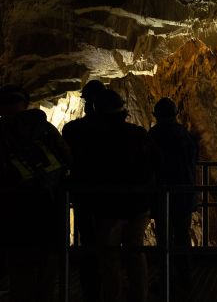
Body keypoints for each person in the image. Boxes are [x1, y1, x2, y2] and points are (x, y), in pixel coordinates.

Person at [0, 85, 69, 302]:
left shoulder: (2, 133)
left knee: (20, 269)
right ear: (26, 103)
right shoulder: (45, 129)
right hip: (48, 205)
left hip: (14, 209)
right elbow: (67, 158)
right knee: (47, 268)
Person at [86, 89, 154, 302]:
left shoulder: (97, 139)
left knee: (110, 257)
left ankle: (113, 296)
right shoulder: (138, 134)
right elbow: (151, 166)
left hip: (109, 206)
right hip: (137, 205)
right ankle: (139, 295)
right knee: (135, 253)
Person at [148, 97, 198, 296]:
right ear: (176, 114)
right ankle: (186, 280)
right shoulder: (185, 135)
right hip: (183, 196)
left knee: (164, 240)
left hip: (162, 196)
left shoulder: (153, 135)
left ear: (157, 116)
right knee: (182, 238)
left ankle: (167, 280)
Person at [62, 79, 106, 302]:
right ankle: (109, 287)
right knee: (109, 244)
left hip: (83, 194)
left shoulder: (73, 129)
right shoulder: (116, 130)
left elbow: (64, 160)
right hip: (111, 195)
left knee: (88, 242)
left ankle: (91, 289)